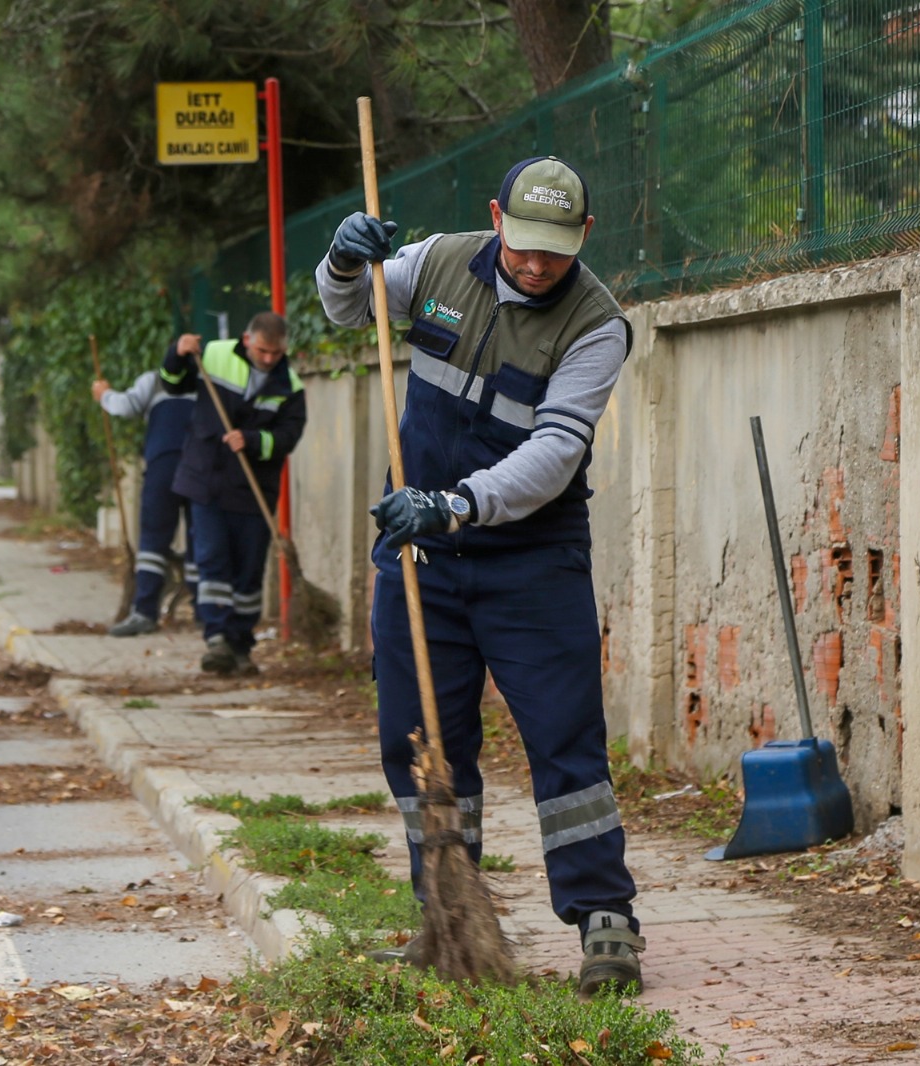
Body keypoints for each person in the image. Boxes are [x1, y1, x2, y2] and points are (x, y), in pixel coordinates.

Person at [315, 156, 644, 994]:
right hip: (420, 554)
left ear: (585, 236)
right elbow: (349, 310)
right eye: (523, 244)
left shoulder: (596, 324)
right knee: (421, 741)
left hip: (530, 557)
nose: (536, 265)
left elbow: (555, 453)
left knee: (565, 738)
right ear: (497, 218)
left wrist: (455, 504)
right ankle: (449, 913)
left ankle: (604, 920)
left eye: (556, 251)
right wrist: (343, 262)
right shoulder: (433, 264)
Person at [159, 313, 306, 676]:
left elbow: (288, 437)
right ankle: (217, 639)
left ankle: (241, 644)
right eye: (262, 350)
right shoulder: (213, 355)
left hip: (253, 491)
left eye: (275, 352)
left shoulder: (290, 386)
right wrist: (177, 353)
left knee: (248, 571)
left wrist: (253, 441)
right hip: (207, 481)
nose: (268, 358)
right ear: (246, 340)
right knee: (212, 560)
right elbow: (173, 383)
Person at [91, 367, 198, 636]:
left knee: (153, 540)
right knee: (200, 539)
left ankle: (145, 612)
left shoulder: (154, 380)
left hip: (165, 464)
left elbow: (126, 406)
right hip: (201, 466)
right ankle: (205, 613)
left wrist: (104, 395)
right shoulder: (208, 380)